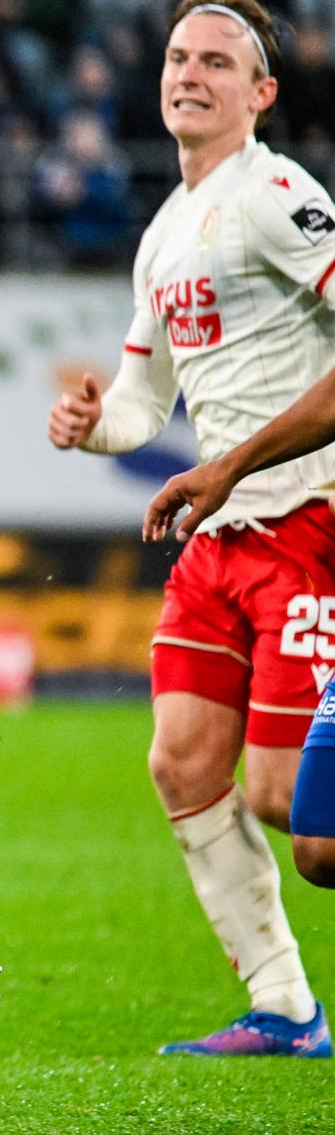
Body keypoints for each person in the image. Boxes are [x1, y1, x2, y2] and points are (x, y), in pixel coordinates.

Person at [48, 0, 333, 1058]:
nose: (189, 73)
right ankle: (287, 1006)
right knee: (182, 762)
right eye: (177, 56)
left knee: (299, 818)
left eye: (217, 61)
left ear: (259, 93)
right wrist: (91, 425)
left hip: (308, 523)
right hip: (222, 538)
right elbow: (141, 403)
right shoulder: (166, 234)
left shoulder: (277, 196)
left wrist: (229, 464)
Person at [146, 359, 335, 903]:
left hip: (299, 537)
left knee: (296, 803)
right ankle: (282, 990)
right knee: (315, 837)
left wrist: (232, 467)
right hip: (247, 535)